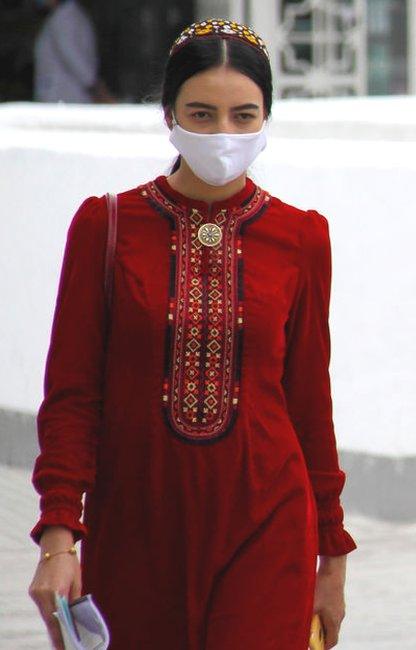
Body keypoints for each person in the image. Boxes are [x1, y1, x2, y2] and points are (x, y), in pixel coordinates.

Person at [27, 19, 355, 650]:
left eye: (243, 115)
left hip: (267, 525)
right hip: (136, 530)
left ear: (266, 119)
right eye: (202, 114)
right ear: (168, 113)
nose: (223, 134)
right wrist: (58, 536)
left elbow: (310, 404)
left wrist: (332, 558)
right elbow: (71, 396)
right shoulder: (107, 225)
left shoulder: (302, 236)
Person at [33, 0, 113, 103]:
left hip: (64, 96)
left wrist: (96, 89)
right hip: (61, 94)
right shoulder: (62, 16)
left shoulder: (64, 18)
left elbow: (73, 57)